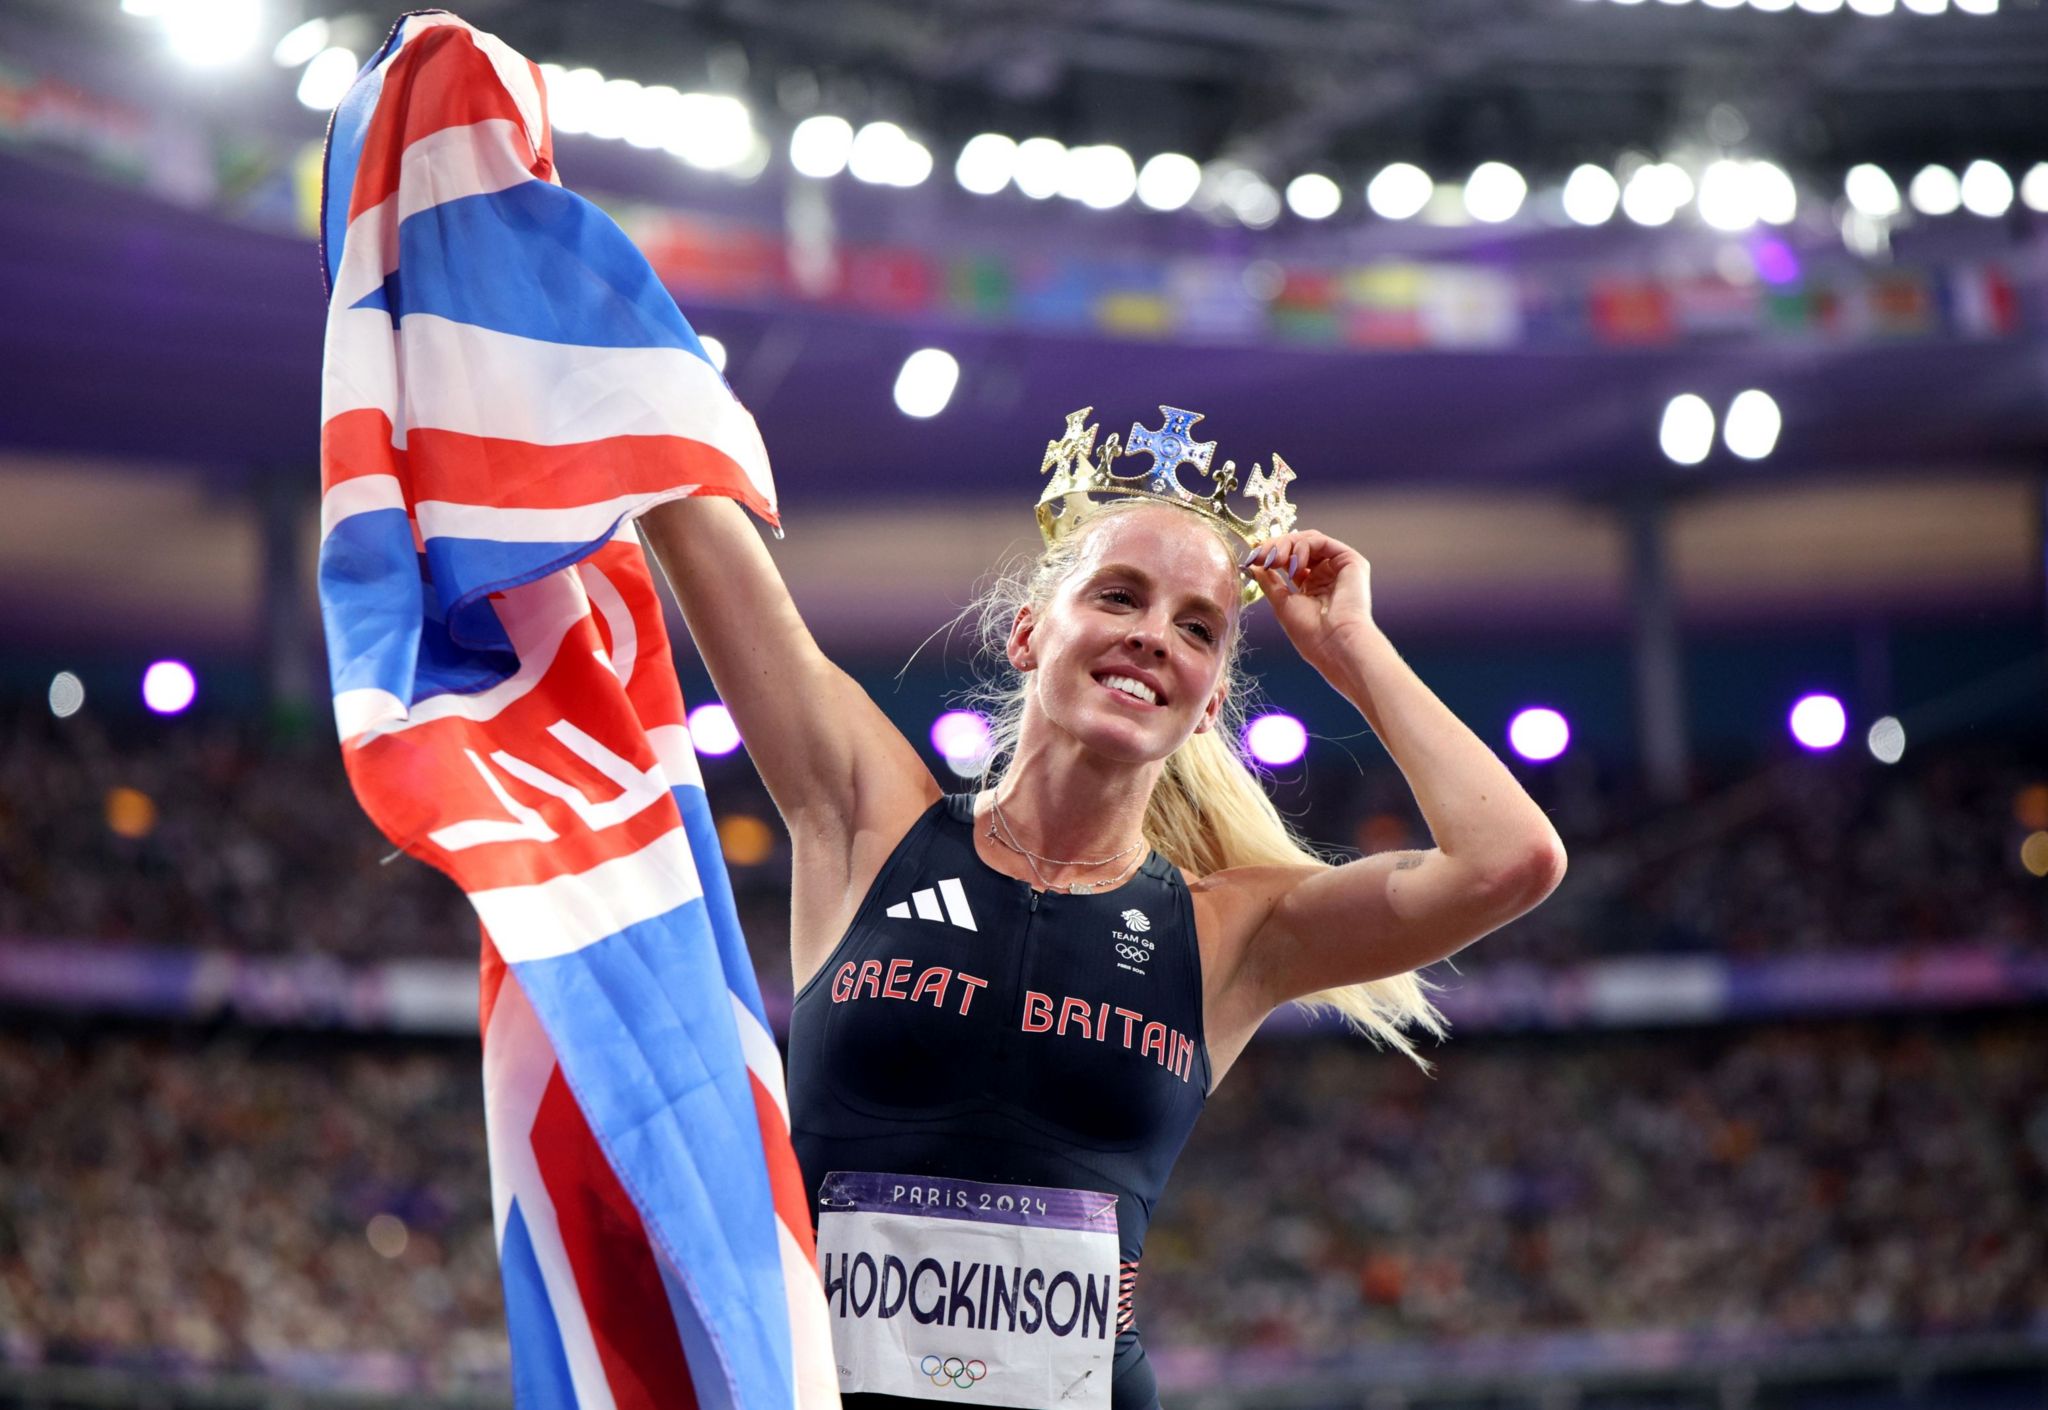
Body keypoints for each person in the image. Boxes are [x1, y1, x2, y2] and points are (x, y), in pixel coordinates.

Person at [638, 405, 1566, 1410]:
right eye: (1119, 597)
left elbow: (1508, 861)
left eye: (1196, 628)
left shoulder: (1231, 933)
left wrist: (1349, 647)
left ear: (1210, 699)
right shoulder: (872, 820)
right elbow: (685, 508)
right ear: (1028, 632)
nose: (1151, 638)